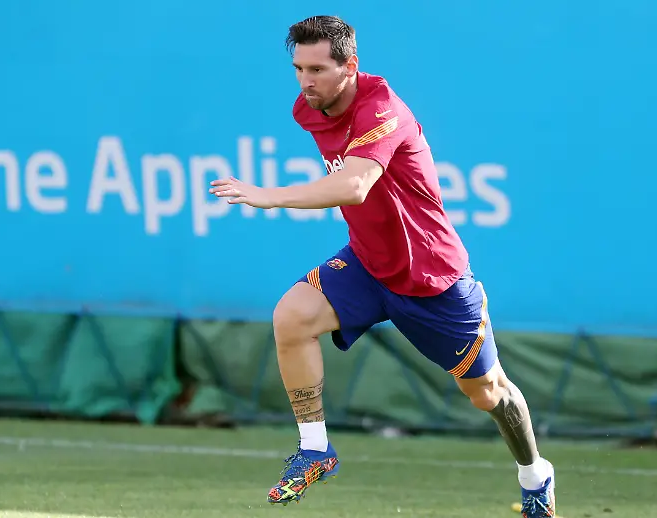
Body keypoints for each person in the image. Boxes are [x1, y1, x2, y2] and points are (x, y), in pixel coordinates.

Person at [208, 14, 556, 518]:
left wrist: (270, 196)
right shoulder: (309, 110)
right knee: (292, 316)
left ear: (350, 65)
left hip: (430, 276)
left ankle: (535, 474)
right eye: (298, 69)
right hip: (368, 263)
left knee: (488, 393)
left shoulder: (381, 108)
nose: (305, 81)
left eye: (317, 69)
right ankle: (314, 449)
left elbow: (354, 186)